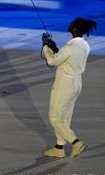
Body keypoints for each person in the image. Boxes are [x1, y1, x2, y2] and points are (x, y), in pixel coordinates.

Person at [41, 17, 97, 159]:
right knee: (65, 117)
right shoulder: (85, 46)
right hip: (77, 83)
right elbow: (68, 58)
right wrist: (56, 49)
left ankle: (75, 142)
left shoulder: (70, 48)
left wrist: (46, 47)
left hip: (64, 84)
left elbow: (52, 61)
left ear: (73, 29)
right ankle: (59, 148)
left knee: (55, 118)